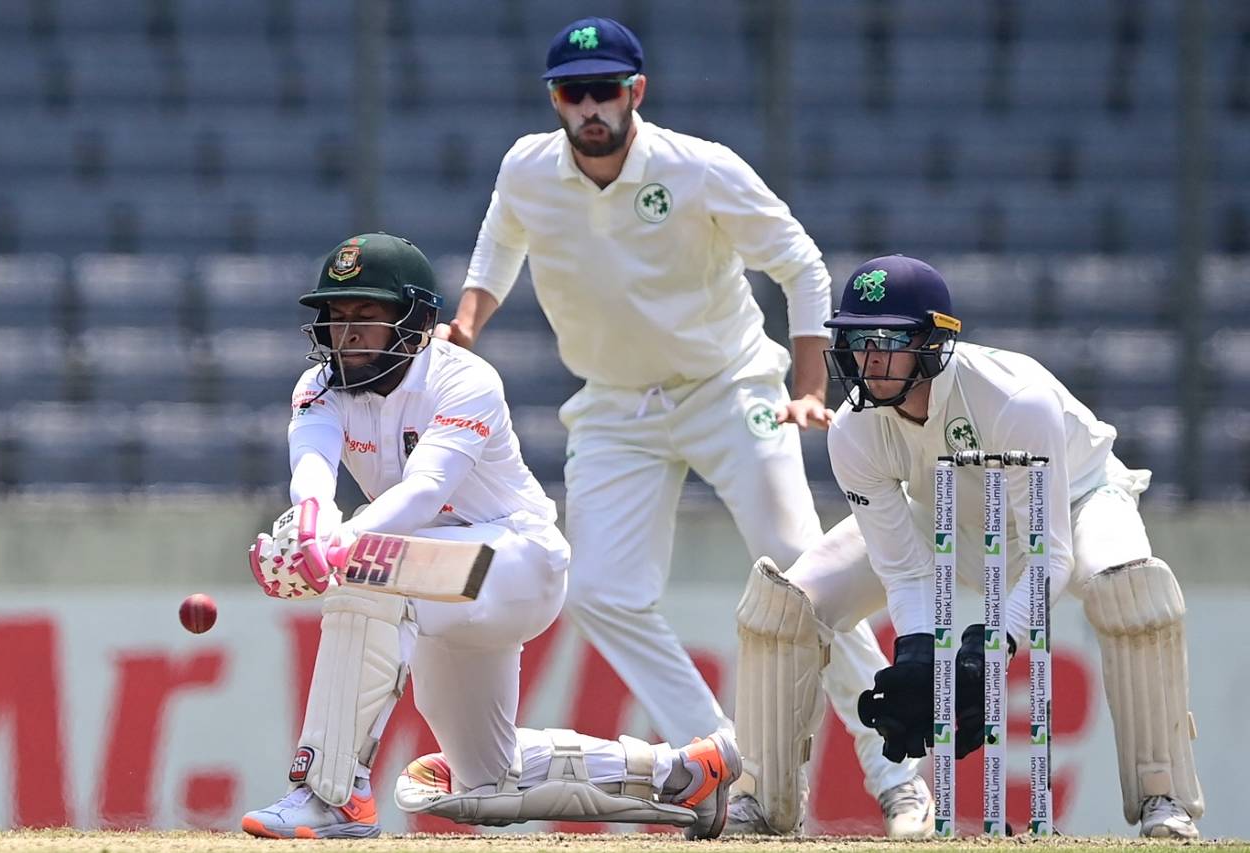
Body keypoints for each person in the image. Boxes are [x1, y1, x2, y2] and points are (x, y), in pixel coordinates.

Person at [437, 15, 930, 838]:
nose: (589, 108)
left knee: (803, 578)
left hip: (729, 386)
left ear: (637, 91)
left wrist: (810, 386)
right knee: (599, 591)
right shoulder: (528, 167)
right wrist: (467, 321)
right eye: (572, 92)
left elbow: (801, 263)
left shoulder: (698, 169)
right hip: (615, 403)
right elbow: (499, 242)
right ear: (554, 99)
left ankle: (900, 778)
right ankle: (731, 768)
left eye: (604, 90)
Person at [240, 232, 741, 840]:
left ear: (417, 321)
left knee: (364, 573)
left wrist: (339, 544)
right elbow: (312, 471)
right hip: (433, 581)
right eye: (337, 319)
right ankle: (687, 773)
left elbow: (426, 488)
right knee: (486, 776)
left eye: (366, 318)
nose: (346, 337)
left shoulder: (464, 380)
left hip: (515, 563)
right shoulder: (318, 386)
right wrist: (312, 527)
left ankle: (330, 795)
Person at [737, 254, 1203, 839]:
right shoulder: (856, 429)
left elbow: (1049, 556)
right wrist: (914, 653)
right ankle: (759, 803)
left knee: (1132, 591)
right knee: (786, 608)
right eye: (857, 340)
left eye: (888, 340)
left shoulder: (1015, 398)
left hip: (1076, 502)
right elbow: (904, 571)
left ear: (933, 343)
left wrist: (993, 645)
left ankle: (1165, 800)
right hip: (941, 510)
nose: (869, 360)